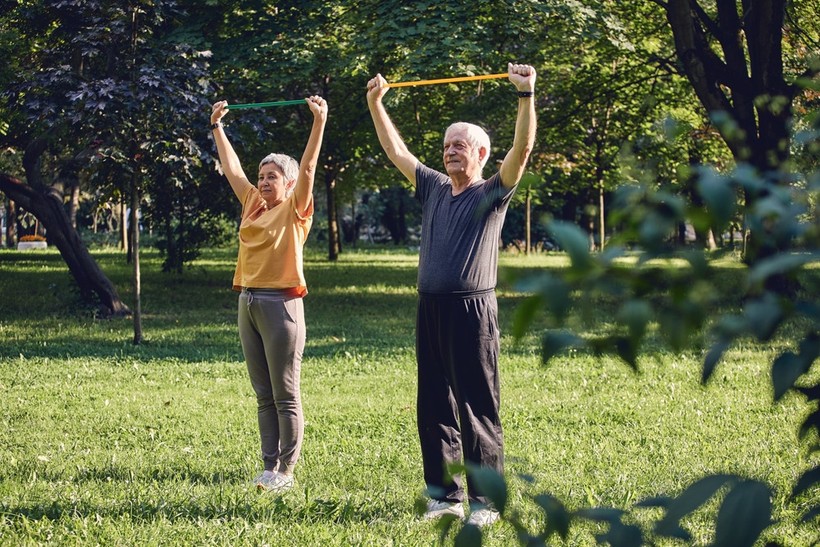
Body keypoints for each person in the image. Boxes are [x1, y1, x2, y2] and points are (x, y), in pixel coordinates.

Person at [366, 63, 537, 527]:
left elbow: (521, 152)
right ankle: (446, 497)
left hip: (473, 311)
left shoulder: (491, 193)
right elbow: (396, 150)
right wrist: (376, 104)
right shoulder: (435, 188)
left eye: (459, 145)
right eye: (446, 147)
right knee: (434, 404)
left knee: (477, 405)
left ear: (481, 152)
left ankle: (487, 503)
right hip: (431, 308)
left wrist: (525, 96)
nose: (450, 153)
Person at [210, 95, 327, 493]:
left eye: (272, 176)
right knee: (263, 393)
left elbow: (309, 165)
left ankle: (287, 472)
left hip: (282, 304)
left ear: (289, 183)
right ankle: (268, 466)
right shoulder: (252, 203)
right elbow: (231, 168)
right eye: (262, 175)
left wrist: (319, 121)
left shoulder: (296, 206)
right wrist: (217, 127)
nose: (263, 181)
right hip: (248, 302)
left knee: (285, 392)